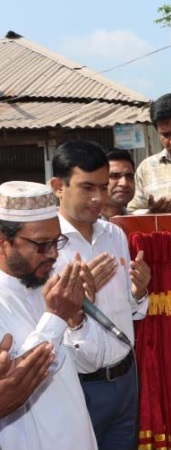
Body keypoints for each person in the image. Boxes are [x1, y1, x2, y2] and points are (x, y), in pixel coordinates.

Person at [51, 140, 151, 450]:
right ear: (58, 186)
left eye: (103, 188)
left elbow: (132, 310)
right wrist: (79, 302)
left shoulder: (114, 234)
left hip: (125, 379)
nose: (98, 198)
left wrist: (139, 291)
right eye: (86, 188)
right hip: (76, 385)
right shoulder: (46, 245)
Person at [0, 180, 97, 449]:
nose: (54, 254)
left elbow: (88, 364)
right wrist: (55, 317)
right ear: (3, 241)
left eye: (57, 242)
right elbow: (15, 384)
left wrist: (76, 319)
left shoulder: (48, 284)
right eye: (42, 245)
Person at [101, 149, 136, 220]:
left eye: (129, 176)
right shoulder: (83, 224)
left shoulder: (137, 224)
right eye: (114, 176)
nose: (124, 183)